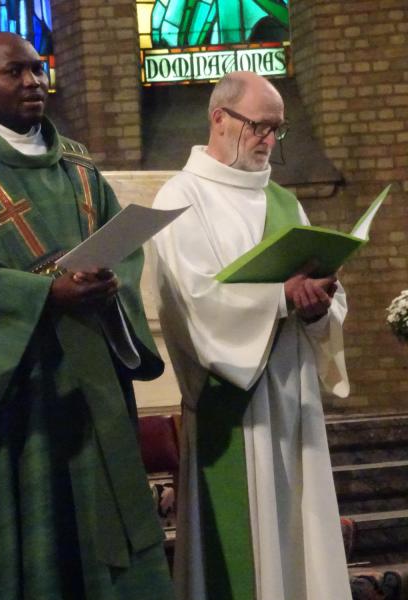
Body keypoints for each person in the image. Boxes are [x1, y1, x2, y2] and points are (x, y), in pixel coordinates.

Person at [0, 32, 174, 600]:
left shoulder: (77, 160)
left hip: (89, 378)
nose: (31, 82)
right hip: (13, 391)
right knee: (35, 542)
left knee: (104, 531)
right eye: (13, 73)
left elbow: (122, 244)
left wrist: (107, 282)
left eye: (36, 70)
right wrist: (44, 294)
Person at [150, 71, 351, 600]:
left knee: (300, 537)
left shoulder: (284, 202)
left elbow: (328, 294)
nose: (268, 140)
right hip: (233, 410)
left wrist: (316, 308)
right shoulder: (180, 198)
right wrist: (279, 298)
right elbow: (193, 303)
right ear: (219, 118)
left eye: (277, 130)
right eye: (260, 127)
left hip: (293, 398)